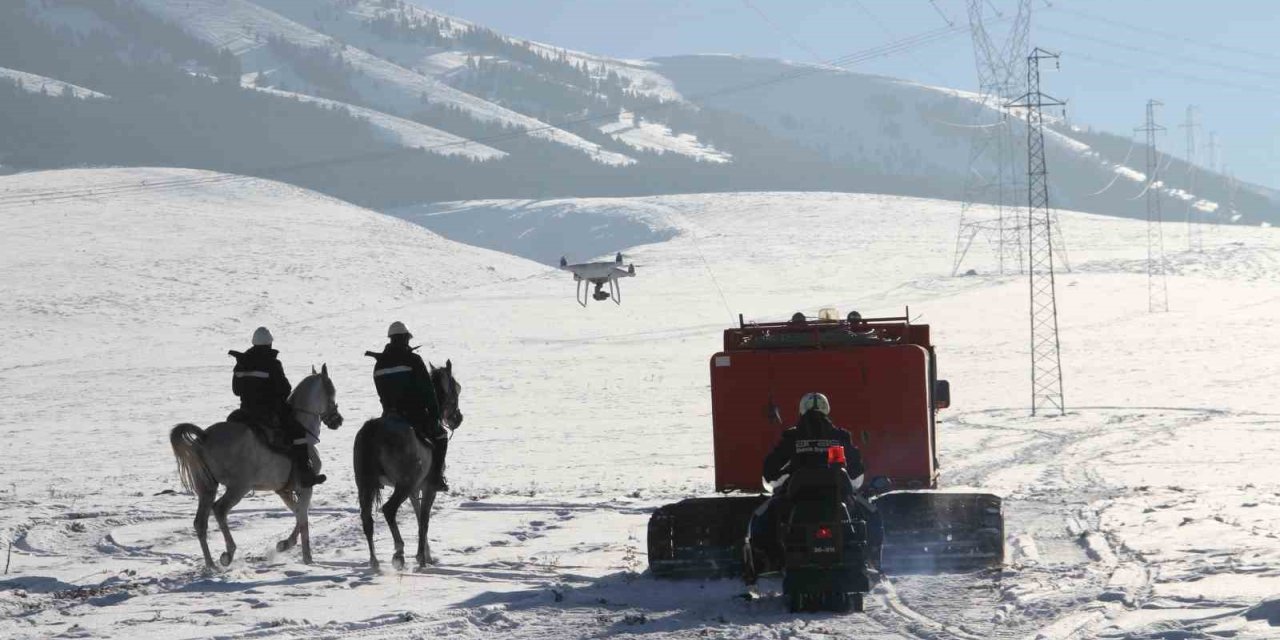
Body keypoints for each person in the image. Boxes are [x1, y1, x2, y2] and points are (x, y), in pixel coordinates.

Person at [744, 392, 867, 583]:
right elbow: (856, 470)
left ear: (801, 410)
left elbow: (770, 470)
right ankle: (870, 561)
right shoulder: (839, 437)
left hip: (797, 499)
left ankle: (769, 564)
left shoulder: (792, 436)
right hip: (835, 498)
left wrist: (779, 478)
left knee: (761, 518)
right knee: (866, 511)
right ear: (827, 409)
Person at [229, 326, 325, 487]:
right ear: (269, 344)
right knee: (298, 432)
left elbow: (236, 390)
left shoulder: (241, 363)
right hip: (267, 413)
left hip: (244, 412)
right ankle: (305, 474)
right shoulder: (272, 363)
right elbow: (285, 389)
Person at [366, 321, 449, 491]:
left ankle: (376, 473)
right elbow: (428, 391)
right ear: (405, 338)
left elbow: (382, 394)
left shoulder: (379, 364)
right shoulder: (413, 360)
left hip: (388, 415)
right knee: (441, 436)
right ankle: (436, 477)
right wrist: (434, 415)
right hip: (413, 415)